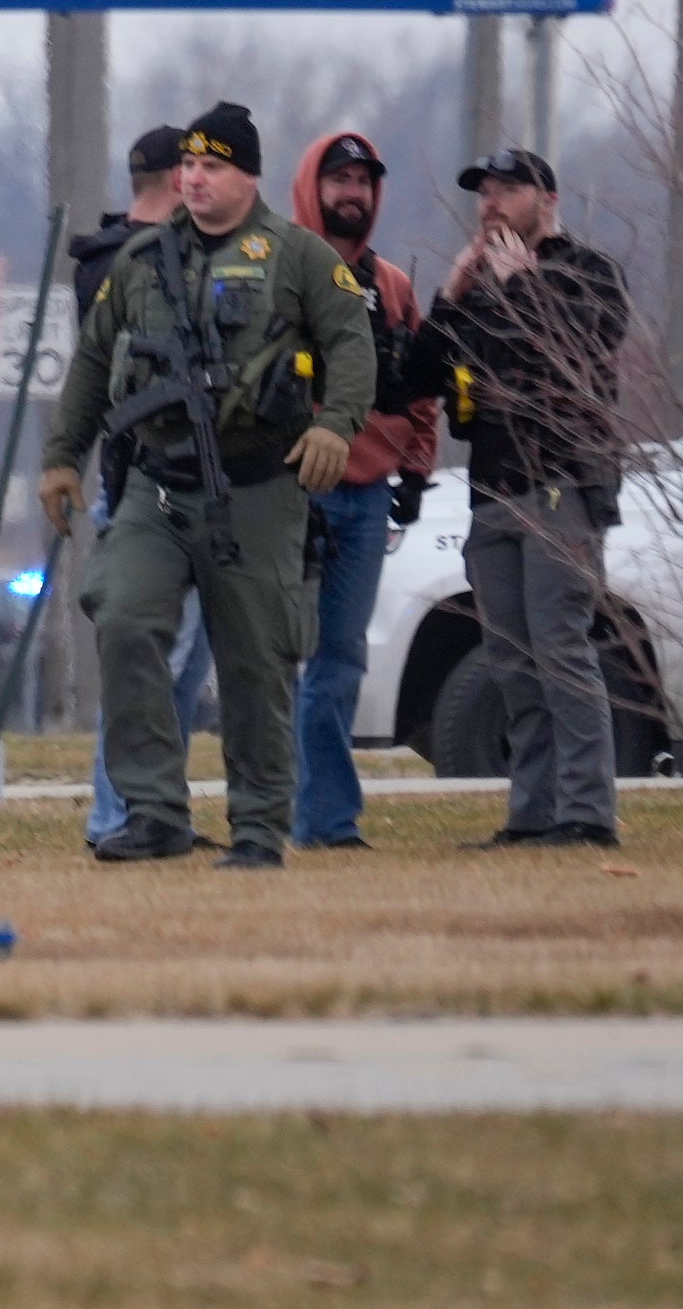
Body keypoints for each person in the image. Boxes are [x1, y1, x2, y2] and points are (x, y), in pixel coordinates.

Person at [43, 104, 375, 871]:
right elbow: (94, 361)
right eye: (188, 166)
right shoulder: (142, 259)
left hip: (256, 488)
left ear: (248, 175)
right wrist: (64, 454)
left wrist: (337, 425)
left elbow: (351, 343)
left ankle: (259, 825)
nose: (194, 178)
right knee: (123, 617)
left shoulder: (296, 255)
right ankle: (152, 809)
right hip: (157, 486)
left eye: (213, 166)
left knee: (255, 659)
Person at [399, 147, 632, 850]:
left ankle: (588, 814)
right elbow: (411, 380)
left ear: (546, 199)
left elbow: (582, 348)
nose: (492, 201)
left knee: (562, 649)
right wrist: (451, 294)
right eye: (485, 191)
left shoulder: (586, 273)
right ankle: (533, 814)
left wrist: (521, 285)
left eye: (508, 188)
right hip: (493, 491)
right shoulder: (481, 289)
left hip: (562, 485)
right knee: (512, 661)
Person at [284, 130, 438, 851]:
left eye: (363, 182)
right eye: (339, 179)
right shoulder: (279, 269)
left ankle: (329, 820)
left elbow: (420, 390)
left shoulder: (393, 287)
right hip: (289, 490)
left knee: (341, 657)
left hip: (369, 495)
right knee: (280, 653)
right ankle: (273, 809)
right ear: (311, 186)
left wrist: (414, 468)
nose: (353, 193)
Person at [67, 128, 215, 849]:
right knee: (148, 663)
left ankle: (158, 810)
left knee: (178, 669)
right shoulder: (124, 263)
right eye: (193, 168)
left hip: (180, 484)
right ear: (173, 177)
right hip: (145, 488)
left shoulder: (112, 256)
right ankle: (121, 813)